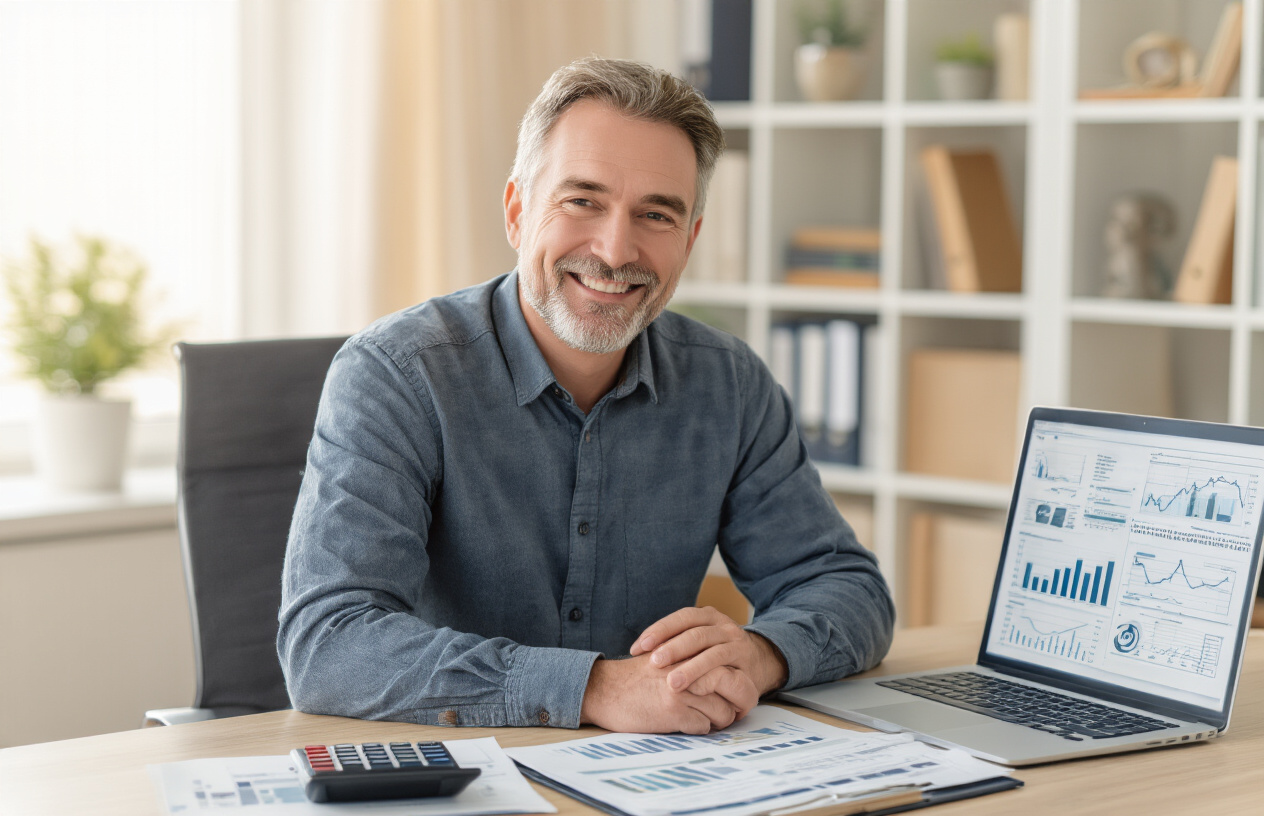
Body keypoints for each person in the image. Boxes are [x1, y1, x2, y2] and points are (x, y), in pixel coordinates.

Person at [278, 57, 894, 736]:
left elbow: (850, 590)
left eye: (655, 214)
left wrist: (760, 652)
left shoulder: (730, 385)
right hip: (454, 765)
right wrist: (595, 688)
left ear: (690, 241)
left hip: (657, 770)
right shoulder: (396, 374)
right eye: (582, 201)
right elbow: (329, 644)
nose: (616, 249)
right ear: (518, 212)